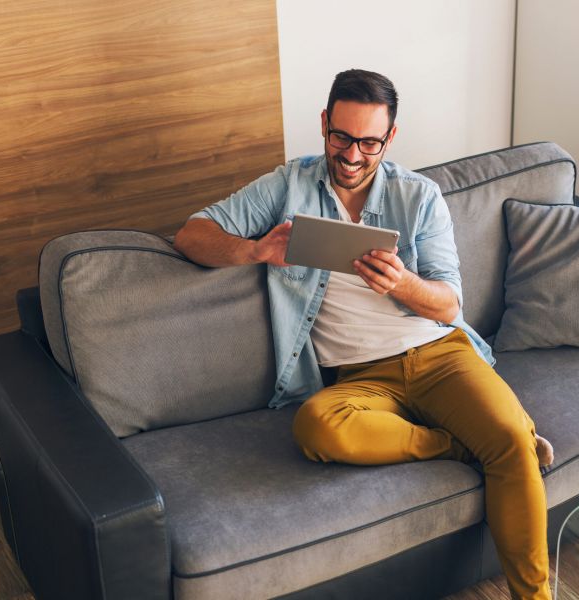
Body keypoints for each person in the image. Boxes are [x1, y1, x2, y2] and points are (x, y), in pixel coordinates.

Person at [173, 69, 553, 600]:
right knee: (317, 427)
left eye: (369, 143)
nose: (352, 156)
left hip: (439, 355)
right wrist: (256, 250)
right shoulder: (289, 186)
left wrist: (403, 284)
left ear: (390, 138)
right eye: (341, 137)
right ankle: (458, 445)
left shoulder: (419, 196)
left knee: (512, 443)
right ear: (325, 124)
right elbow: (193, 234)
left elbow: (449, 304)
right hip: (360, 380)